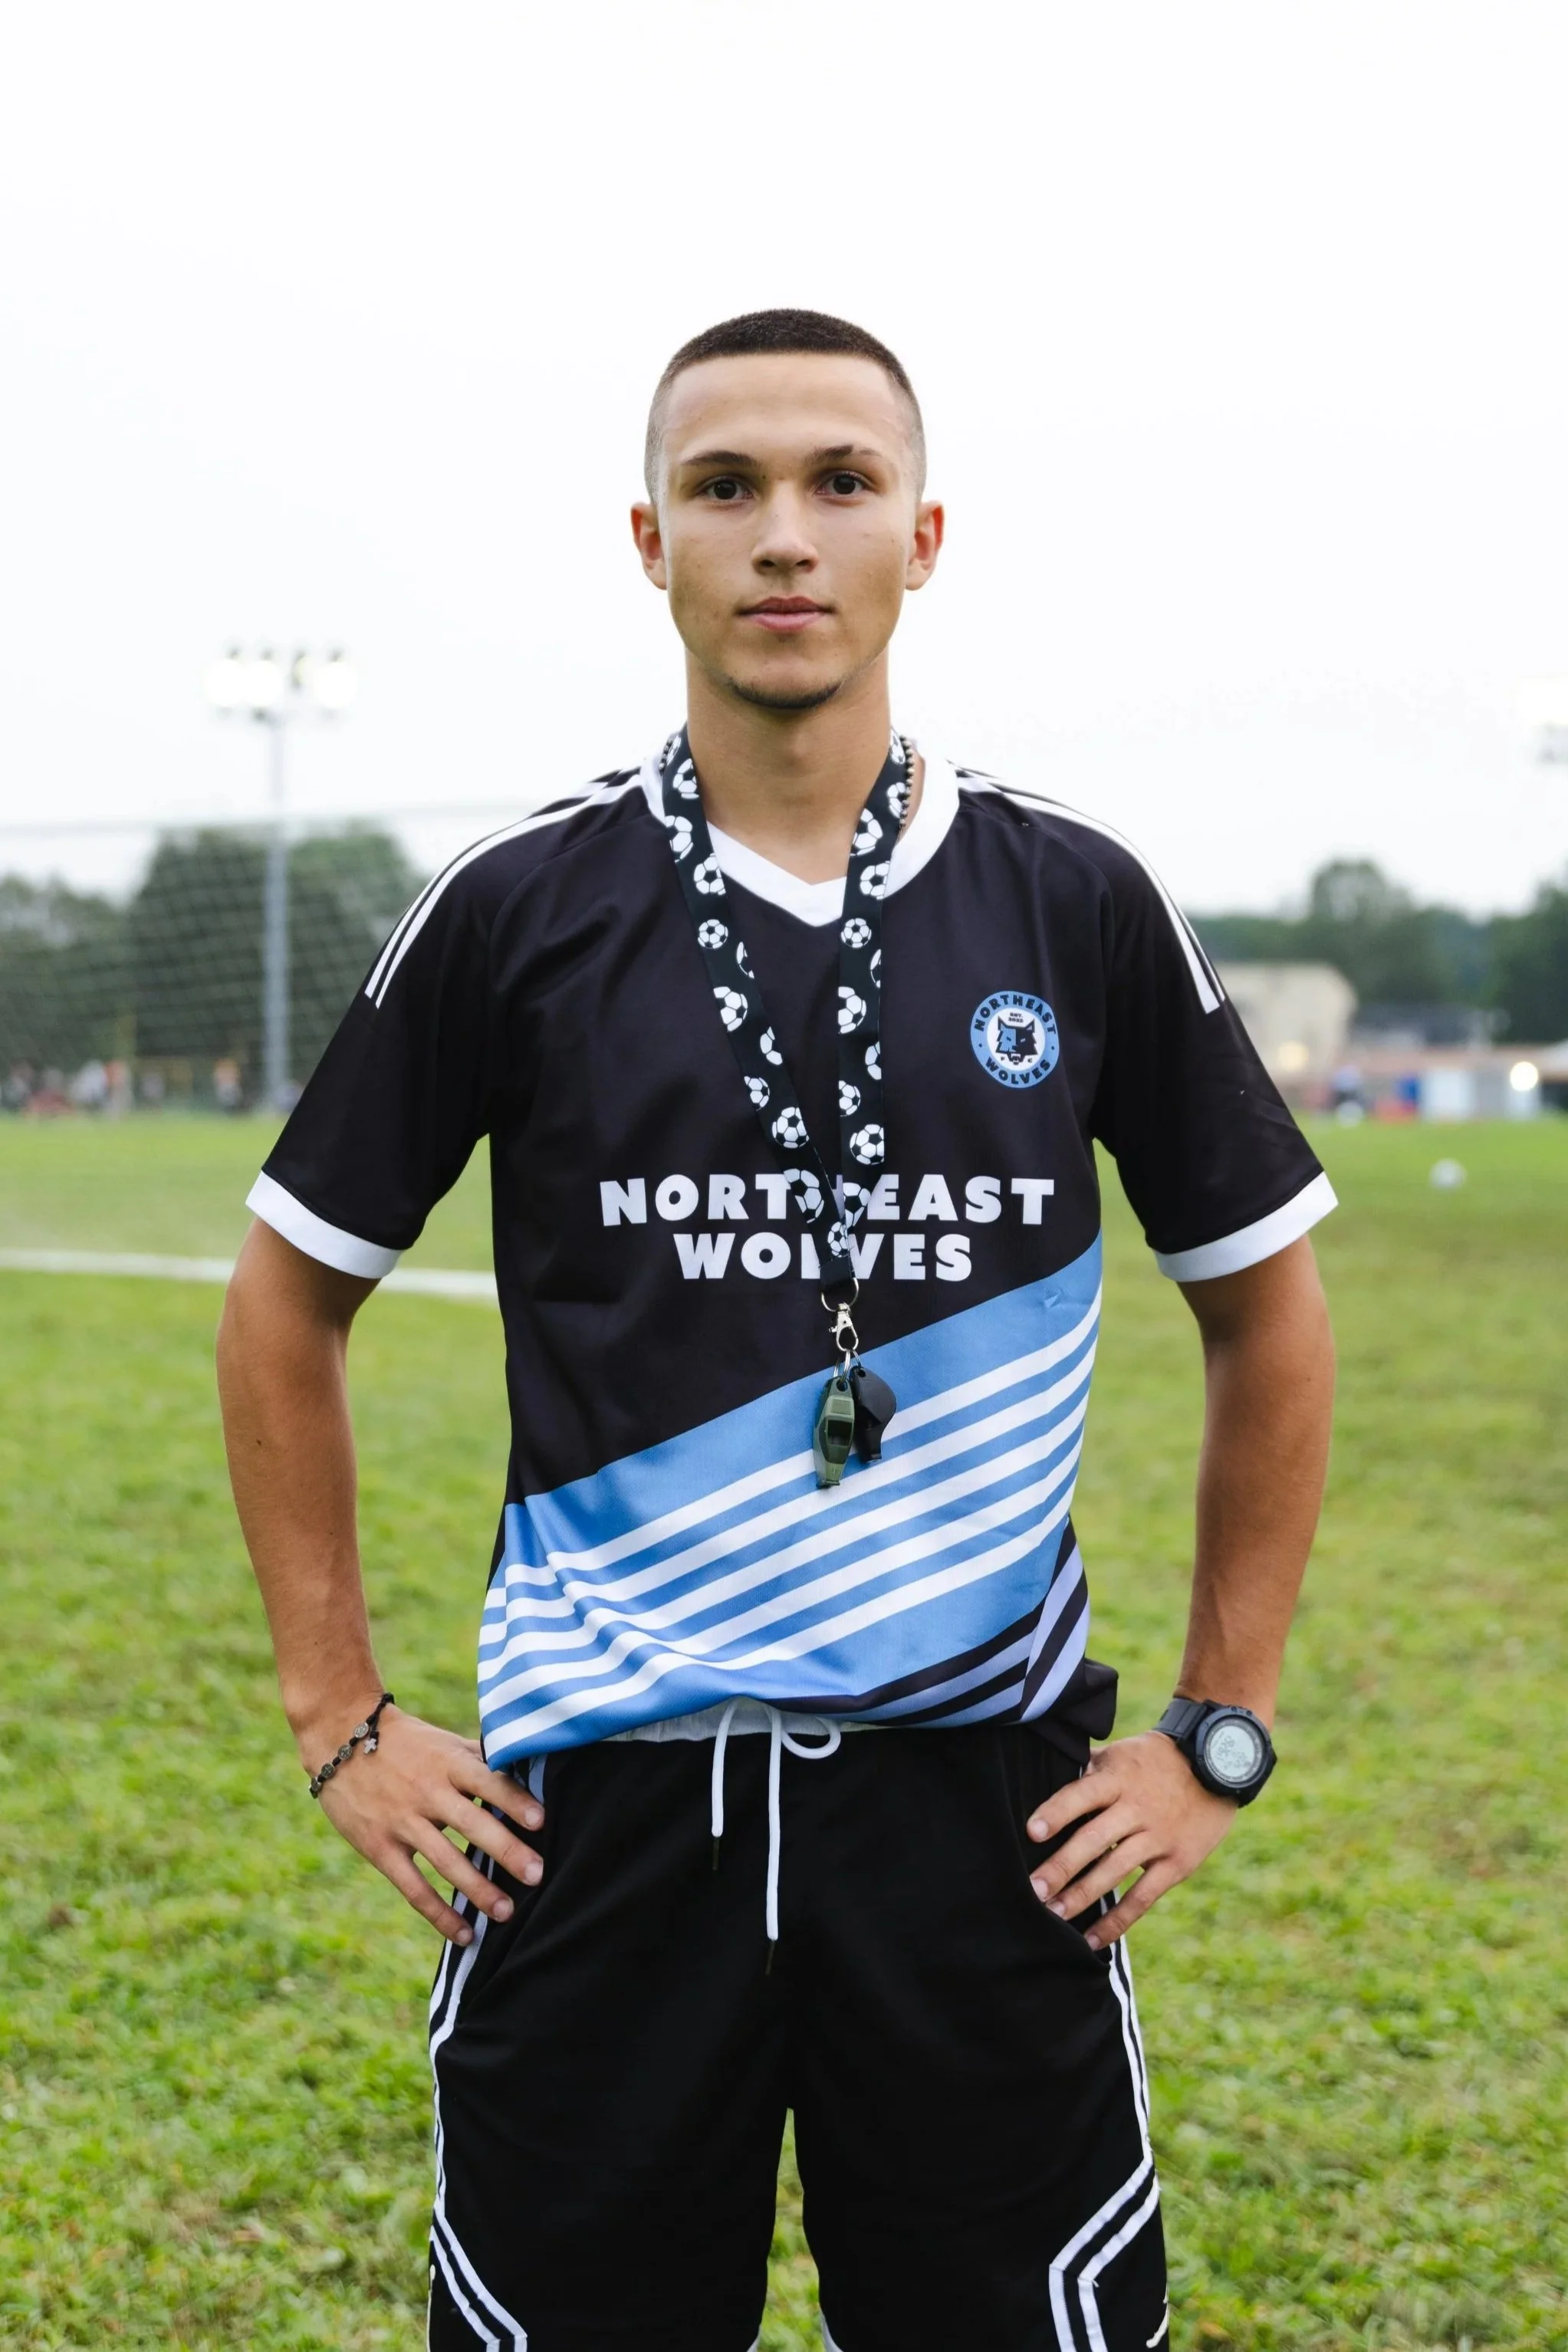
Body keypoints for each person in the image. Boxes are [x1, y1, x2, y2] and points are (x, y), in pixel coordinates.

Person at [218, 308, 1336, 2352]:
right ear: (652, 541)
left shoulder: (1072, 898)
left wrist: (1218, 1727)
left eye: (841, 482)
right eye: (725, 487)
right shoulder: (517, 906)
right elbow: (288, 1297)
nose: (786, 535)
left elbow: (1265, 1310)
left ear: (926, 534)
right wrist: (338, 1717)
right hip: (600, 1820)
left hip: (984, 1816)